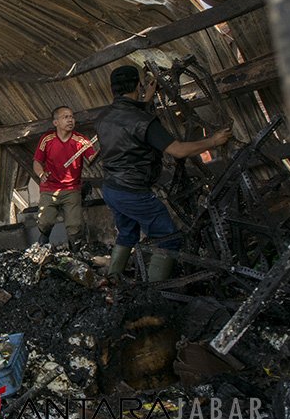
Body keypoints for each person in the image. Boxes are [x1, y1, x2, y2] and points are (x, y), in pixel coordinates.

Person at [96, 65, 232, 282]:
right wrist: (213, 141)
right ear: (138, 85)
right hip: (133, 191)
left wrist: (146, 101)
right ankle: (152, 292)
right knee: (168, 237)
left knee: (127, 234)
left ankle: (111, 280)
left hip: (112, 188)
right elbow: (177, 150)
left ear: (113, 89)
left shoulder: (103, 117)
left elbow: (128, 122)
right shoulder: (142, 121)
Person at [33, 106, 96, 249]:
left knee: (75, 226)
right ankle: (43, 241)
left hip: (72, 188)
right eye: (65, 117)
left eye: (72, 117)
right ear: (56, 123)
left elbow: (92, 158)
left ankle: (75, 252)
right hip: (49, 188)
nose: (70, 120)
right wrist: (41, 174)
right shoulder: (47, 139)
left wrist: (97, 154)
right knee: (44, 221)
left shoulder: (81, 140)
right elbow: (37, 162)